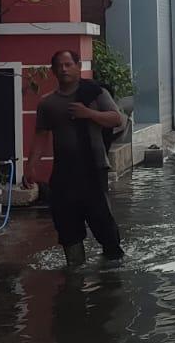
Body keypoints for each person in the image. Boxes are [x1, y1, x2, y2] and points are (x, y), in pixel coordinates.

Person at [25, 49, 125, 265]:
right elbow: (41, 137)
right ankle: (74, 273)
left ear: (78, 67)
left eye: (68, 64)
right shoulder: (48, 103)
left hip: (93, 170)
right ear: (53, 71)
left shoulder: (95, 94)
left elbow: (117, 119)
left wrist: (89, 114)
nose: (64, 69)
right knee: (67, 227)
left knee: (103, 224)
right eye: (59, 66)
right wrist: (30, 167)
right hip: (64, 174)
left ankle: (113, 270)